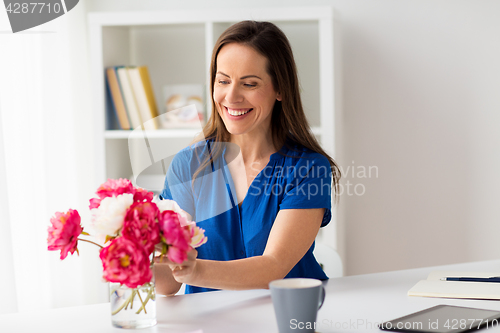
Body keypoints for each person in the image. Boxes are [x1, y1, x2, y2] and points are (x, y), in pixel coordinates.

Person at [155, 20, 341, 295]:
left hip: (289, 318)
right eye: (223, 81)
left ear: (280, 89)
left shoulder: (308, 169)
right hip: (213, 323)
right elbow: (169, 284)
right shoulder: (189, 165)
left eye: (249, 84)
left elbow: (273, 267)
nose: (231, 97)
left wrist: (194, 270)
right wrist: (129, 261)